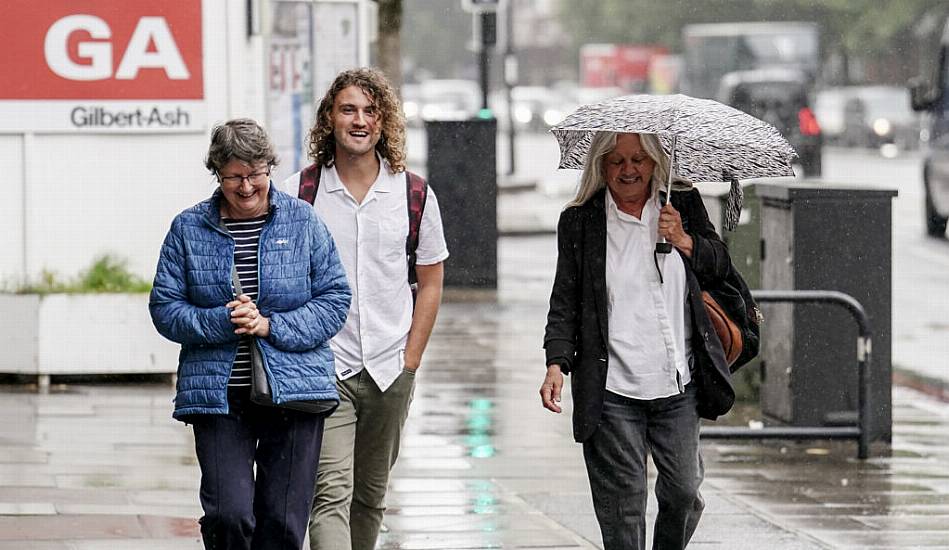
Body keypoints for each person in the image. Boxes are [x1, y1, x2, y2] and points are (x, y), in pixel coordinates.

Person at [149, 118, 352, 550]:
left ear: (269, 169)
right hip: (219, 396)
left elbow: (335, 299)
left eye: (255, 174)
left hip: (296, 391)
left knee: (281, 523)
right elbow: (165, 309)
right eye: (234, 177)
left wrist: (269, 325)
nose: (245, 187)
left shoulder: (302, 221)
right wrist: (222, 321)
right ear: (217, 174)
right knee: (230, 514)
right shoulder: (188, 228)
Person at [539, 131, 735, 550]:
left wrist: (684, 240)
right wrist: (556, 363)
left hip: (677, 383)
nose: (628, 170)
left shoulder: (681, 203)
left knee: (683, 491)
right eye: (616, 161)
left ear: (655, 163)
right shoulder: (581, 221)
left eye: (639, 160)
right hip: (612, 389)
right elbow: (565, 299)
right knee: (624, 506)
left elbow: (720, 267)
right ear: (600, 167)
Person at [281, 67, 448, 550]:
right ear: (329, 118)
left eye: (370, 111)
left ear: (384, 121)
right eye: (348, 109)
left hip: (390, 368)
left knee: (371, 497)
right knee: (329, 493)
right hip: (323, 367)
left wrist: (410, 359)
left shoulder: (413, 194)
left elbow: (431, 279)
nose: (359, 120)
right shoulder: (299, 194)